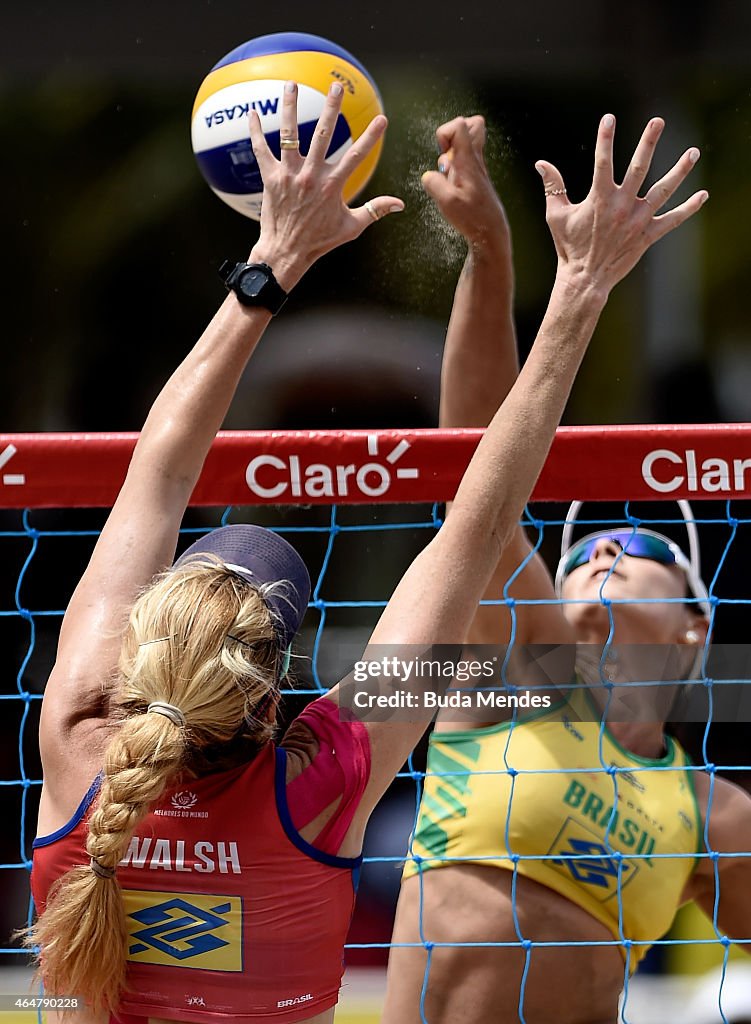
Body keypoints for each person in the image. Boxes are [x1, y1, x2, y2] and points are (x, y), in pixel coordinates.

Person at [28, 83, 707, 1024]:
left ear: (138, 648)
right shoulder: (322, 780)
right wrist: (579, 284)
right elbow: (478, 516)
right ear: (275, 694)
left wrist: (270, 262)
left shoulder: (79, 738)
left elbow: (159, 467)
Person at [383, 115, 751, 1024]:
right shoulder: (522, 673)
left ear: (691, 627)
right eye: (583, 555)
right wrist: (489, 252)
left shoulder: (711, 813)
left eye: (645, 554)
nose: (609, 549)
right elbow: (479, 464)